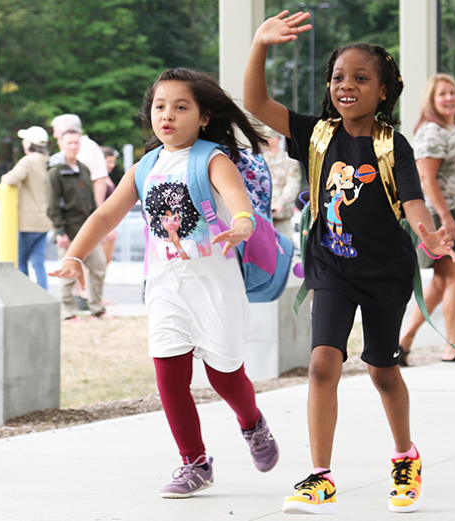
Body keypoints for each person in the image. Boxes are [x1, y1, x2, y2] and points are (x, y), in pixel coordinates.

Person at [244, 10, 455, 514]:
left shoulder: (392, 145)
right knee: (322, 365)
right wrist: (260, 45)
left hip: (384, 274)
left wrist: (427, 234)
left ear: (383, 91)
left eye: (361, 78)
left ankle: (405, 456)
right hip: (332, 269)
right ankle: (320, 476)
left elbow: (413, 200)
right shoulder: (316, 135)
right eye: (339, 76)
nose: (347, 85)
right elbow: (254, 103)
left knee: (383, 370)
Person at [50, 68, 280, 499]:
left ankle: (252, 423)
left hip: (214, 286)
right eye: (159, 106)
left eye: (180, 106)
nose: (167, 115)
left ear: (204, 116)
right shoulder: (145, 167)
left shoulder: (212, 158)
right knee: (169, 376)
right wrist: (74, 255)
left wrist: (243, 223)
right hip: (165, 287)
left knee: (225, 377)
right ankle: (194, 462)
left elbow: (236, 199)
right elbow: (104, 216)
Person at [397, 73, 455, 364]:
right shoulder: (432, 131)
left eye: (453, 93)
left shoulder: (453, 128)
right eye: (442, 94)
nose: (449, 98)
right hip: (445, 211)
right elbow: (425, 177)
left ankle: (402, 342)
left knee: (441, 281)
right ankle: (453, 346)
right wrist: (447, 217)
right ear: (431, 101)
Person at [46, 129, 110, 321]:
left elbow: (91, 203)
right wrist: (60, 231)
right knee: (67, 273)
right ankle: (69, 312)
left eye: (76, 143)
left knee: (99, 267)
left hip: (88, 231)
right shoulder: (56, 172)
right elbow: (52, 204)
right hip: (69, 230)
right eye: (69, 143)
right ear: (61, 145)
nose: (73, 146)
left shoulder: (83, 169)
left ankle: (97, 308)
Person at [0, 126, 53, 290]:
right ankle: (43, 294)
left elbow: (10, 179)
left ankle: (24, 293)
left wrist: (3, 177)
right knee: (38, 262)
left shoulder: (28, 161)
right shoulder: (48, 161)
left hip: (28, 222)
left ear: (29, 143)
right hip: (45, 220)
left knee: (21, 260)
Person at [262, 127, 301, 235]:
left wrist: (280, 203)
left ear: (275, 140)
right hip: (262, 214)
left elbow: (292, 185)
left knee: (285, 248)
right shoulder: (260, 160)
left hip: (281, 216)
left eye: (267, 138)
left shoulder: (289, 161)